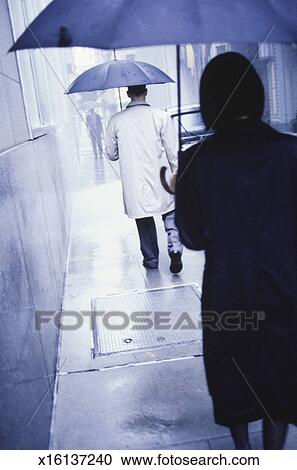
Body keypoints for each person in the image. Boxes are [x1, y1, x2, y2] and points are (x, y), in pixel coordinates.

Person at [175, 52, 297, 450]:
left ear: (211, 101)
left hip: (228, 294)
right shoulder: (291, 153)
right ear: (257, 95)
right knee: (281, 376)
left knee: (233, 378)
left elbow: (191, 238)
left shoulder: (194, 161)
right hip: (286, 288)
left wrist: (184, 191)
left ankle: (243, 453)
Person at [105, 84, 183, 273]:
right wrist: (177, 173)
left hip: (135, 181)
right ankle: (174, 247)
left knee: (143, 218)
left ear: (128, 94)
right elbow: (173, 150)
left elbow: (111, 154)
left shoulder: (116, 121)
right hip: (161, 175)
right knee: (169, 211)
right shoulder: (160, 116)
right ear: (146, 92)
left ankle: (151, 259)